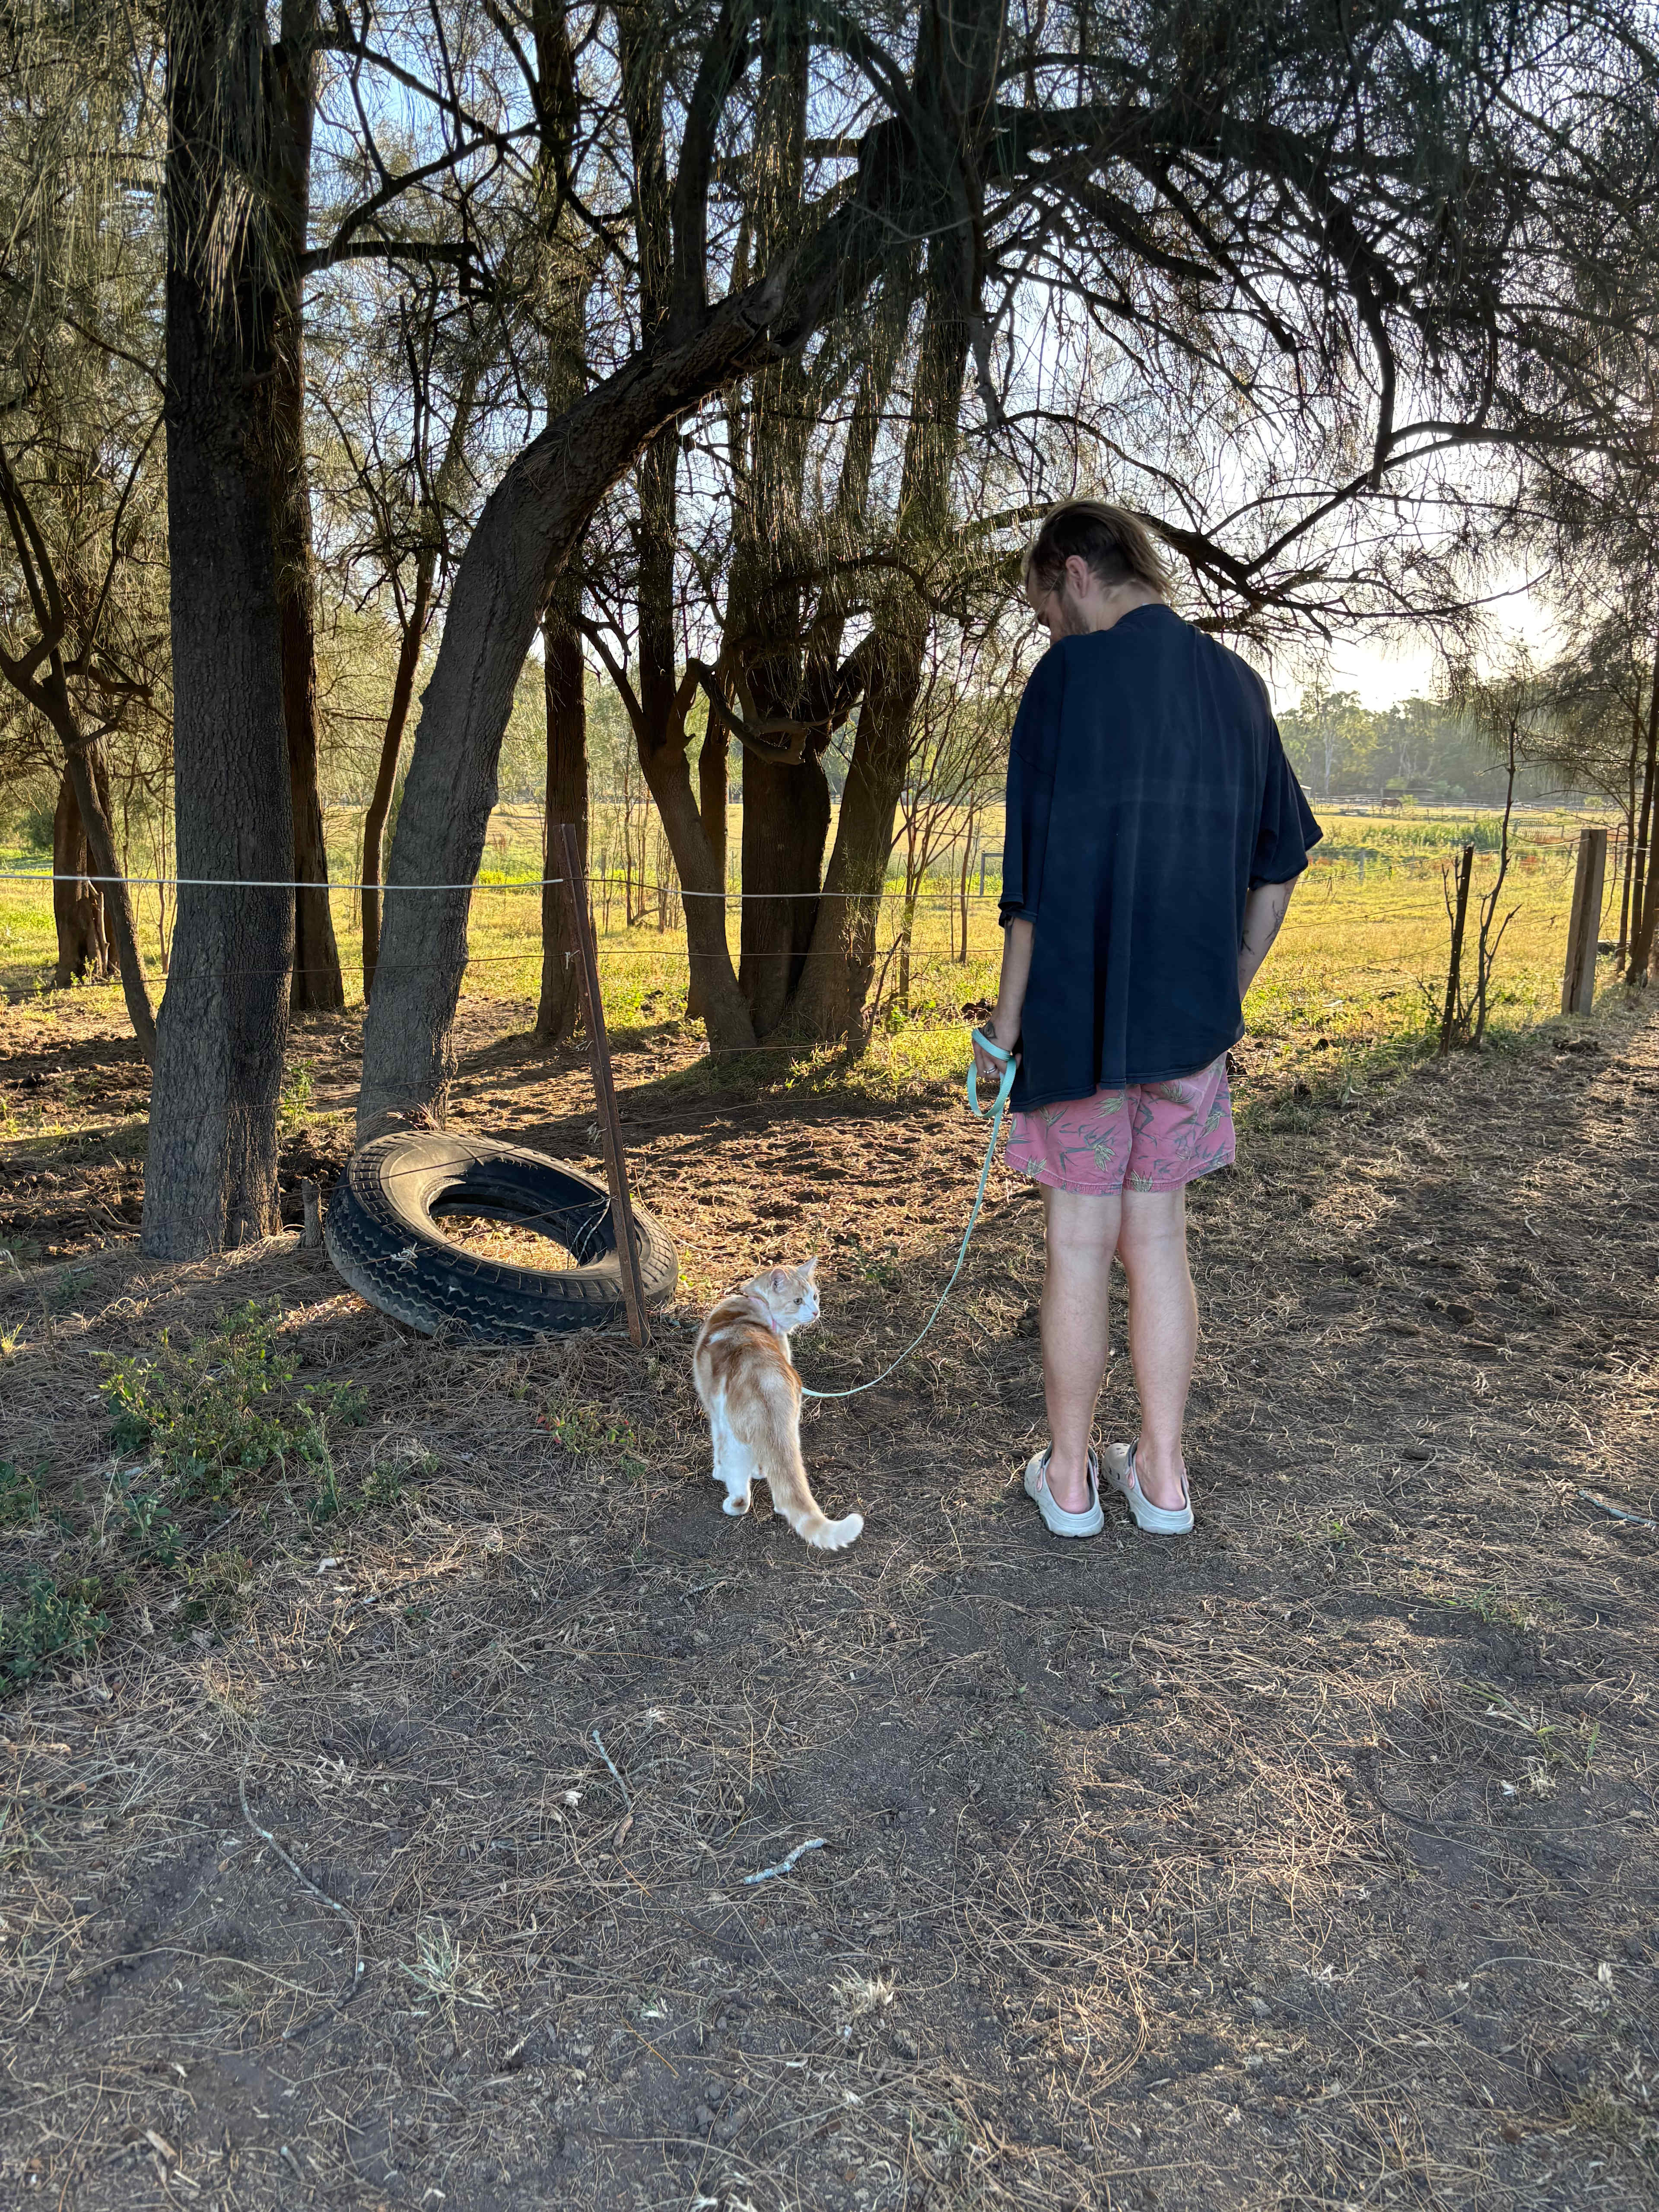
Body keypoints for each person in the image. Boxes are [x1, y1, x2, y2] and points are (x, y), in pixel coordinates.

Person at [973, 499, 1320, 1540]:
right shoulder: (1237, 683)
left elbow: (1027, 894)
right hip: (1189, 1030)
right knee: (1158, 1243)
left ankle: (1072, 1483)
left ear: (1073, 572)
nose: (1049, 631)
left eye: (1044, 607)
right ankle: (1164, 1480)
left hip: (1074, 1031)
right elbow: (1280, 864)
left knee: (1079, 1245)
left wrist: (1000, 1035)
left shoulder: (1066, 683)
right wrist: (1229, 986)